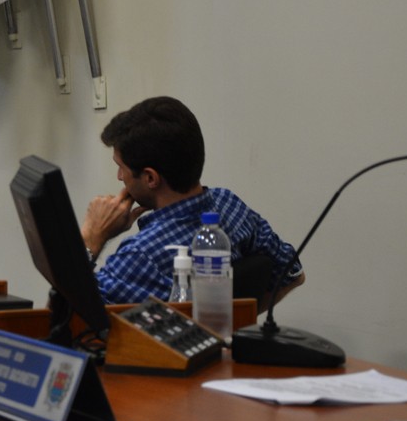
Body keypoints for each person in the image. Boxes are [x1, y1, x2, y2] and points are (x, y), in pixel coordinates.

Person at [79, 96, 302, 305]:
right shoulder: (229, 204)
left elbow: (68, 318)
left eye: (121, 167)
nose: (119, 177)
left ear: (150, 178)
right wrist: (231, 323)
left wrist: (93, 236)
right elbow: (292, 274)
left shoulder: (140, 256)